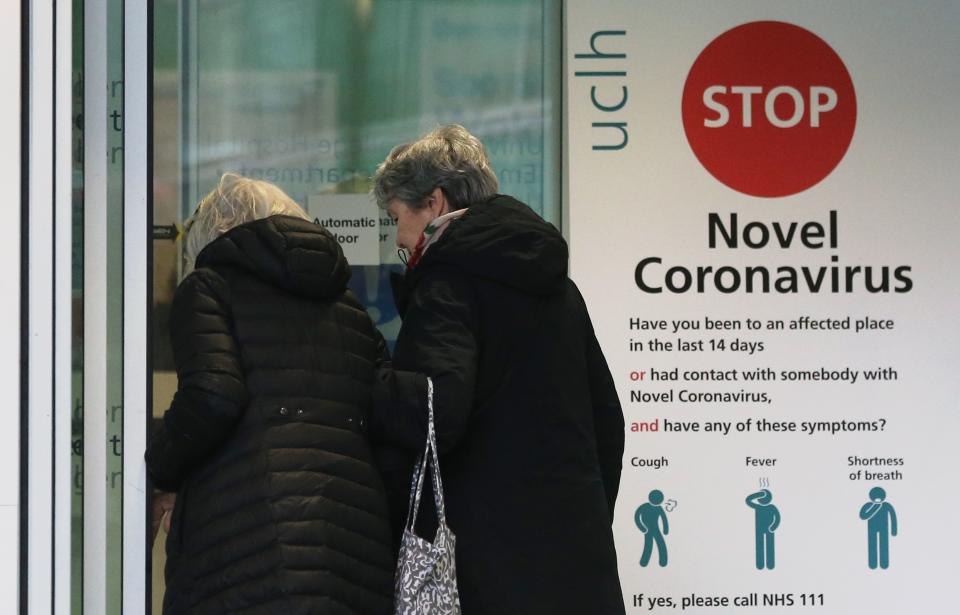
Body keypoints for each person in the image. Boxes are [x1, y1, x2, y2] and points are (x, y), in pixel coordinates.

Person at [370, 125, 626, 614]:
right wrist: (583, 513)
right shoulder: (557, 288)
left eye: (396, 217)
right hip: (574, 553)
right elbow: (607, 420)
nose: (399, 238)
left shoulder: (447, 285)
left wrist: (373, 381)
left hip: (490, 558)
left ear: (435, 203)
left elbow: (434, 409)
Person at [145, 173, 394, 614]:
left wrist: (161, 468)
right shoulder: (352, 312)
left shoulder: (210, 289)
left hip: (249, 542)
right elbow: (382, 415)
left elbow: (213, 395)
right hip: (354, 545)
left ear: (220, 231)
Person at [859, 486, 897, 569]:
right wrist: (875, 506)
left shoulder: (887, 505)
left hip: (884, 528)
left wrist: (894, 530)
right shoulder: (868, 505)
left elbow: (893, 517)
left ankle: (884, 564)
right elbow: (863, 516)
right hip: (872, 528)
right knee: (872, 545)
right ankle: (872, 564)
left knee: (884, 545)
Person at [746, 488, 781, 570]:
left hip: (769, 530)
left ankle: (770, 564)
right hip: (759, 530)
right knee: (759, 546)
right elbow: (748, 500)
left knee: (770, 546)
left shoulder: (772, 507)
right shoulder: (757, 507)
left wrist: (773, 527)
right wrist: (760, 494)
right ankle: (760, 564)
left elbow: (777, 518)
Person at [635, 489, 669, 567]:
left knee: (661, 544)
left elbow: (664, 519)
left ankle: (663, 562)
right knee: (648, 545)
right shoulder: (644, 506)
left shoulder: (659, 508)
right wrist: (642, 527)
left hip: (656, 529)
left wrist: (665, 529)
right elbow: (637, 516)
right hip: (648, 529)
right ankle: (644, 562)